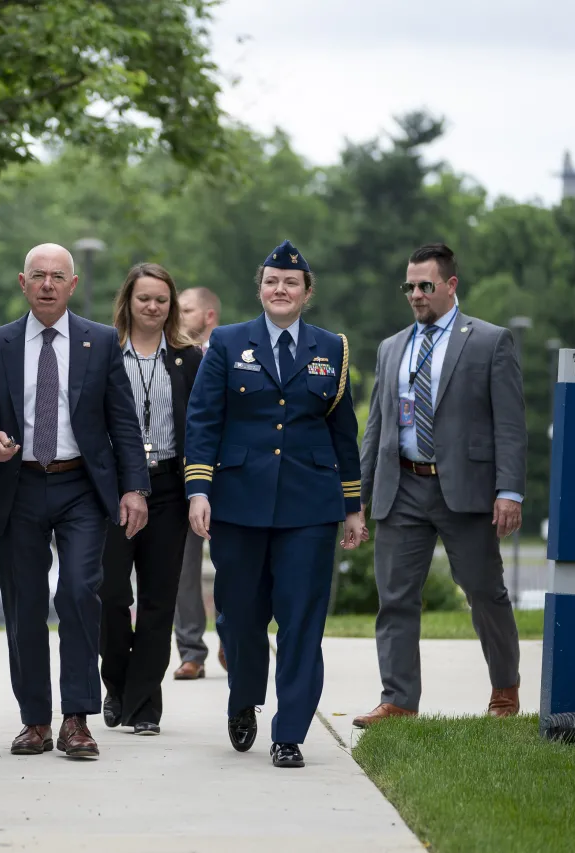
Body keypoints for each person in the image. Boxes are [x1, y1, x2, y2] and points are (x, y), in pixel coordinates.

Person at [0, 242, 150, 759]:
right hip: (16, 485)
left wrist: (135, 488)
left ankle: (77, 720)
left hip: (81, 488)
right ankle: (35, 721)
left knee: (79, 594)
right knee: (23, 604)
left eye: (57, 276)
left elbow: (123, 422)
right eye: (37, 275)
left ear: (73, 284)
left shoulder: (101, 341)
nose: (47, 284)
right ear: (23, 284)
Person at [183, 240, 368, 769]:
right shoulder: (225, 342)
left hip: (310, 504)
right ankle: (243, 698)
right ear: (259, 289)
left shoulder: (331, 348)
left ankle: (289, 733)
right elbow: (203, 420)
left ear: (307, 293)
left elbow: (343, 431)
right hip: (238, 502)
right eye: (271, 281)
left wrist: (352, 505)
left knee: (301, 620)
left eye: (291, 283)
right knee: (239, 618)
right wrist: (199, 489)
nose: (280, 290)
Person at [353, 243, 527, 728]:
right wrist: (358, 498)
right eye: (409, 286)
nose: (416, 294)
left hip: (466, 491)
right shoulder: (392, 348)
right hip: (402, 485)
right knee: (395, 597)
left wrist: (509, 490)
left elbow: (510, 424)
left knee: (484, 592)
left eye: (426, 285)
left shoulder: (491, 342)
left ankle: (505, 691)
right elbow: (378, 428)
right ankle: (399, 701)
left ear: (451, 285)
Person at [98, 264, 203, 734]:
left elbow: (201, 428)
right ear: (128, 301)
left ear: (172, 305)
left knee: (160, 600)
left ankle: (144, 706)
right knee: (112, 595)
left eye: (162, 299)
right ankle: (117, 684)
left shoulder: (188, 358)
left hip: (169, 489)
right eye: (144, 298)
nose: (153, 307)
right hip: (116, 490)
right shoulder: (104, 352)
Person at [172, 286, 226, 680]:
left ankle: (232, 638)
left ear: (208, 316)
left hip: (228, 475)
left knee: (233, 564)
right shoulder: (172, 358)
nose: (178, 314)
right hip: (181, 476)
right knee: (182, 568)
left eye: (185, 309)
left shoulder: (231, 353)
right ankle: (191, 651)